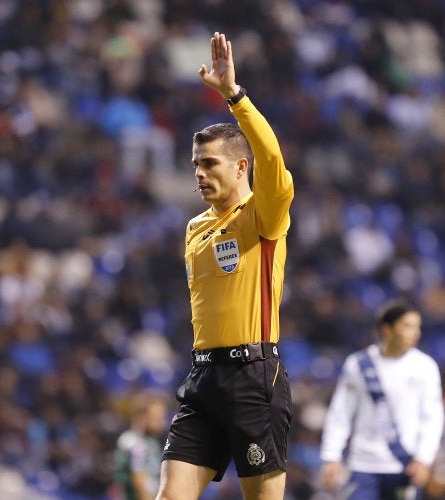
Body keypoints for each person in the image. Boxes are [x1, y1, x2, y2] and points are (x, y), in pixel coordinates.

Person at [157, 32, 295, 500]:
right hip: (203, 379)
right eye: (196, 164)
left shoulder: (264, 215)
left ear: (241, 168)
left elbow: (273, 157)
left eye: (211, 164)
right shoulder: (196, 226)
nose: (199, 173)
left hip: (253, 378)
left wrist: (234, 97)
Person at [319, 300, 445, 500]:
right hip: (363, 465)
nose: (416, 333)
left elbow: (432, 417)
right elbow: (340, 413)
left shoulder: (425, 367)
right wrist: (331, 456)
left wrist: (424, 458)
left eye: (417, 327)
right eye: (408, 326)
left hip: (405, 465)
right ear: (387, 329)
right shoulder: (359, 365)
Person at [113, 394, 169, 500]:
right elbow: (139, 480)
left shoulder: (150, 442)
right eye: (157, 418)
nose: (162, 422)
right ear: (141, 417)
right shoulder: (135, 442)